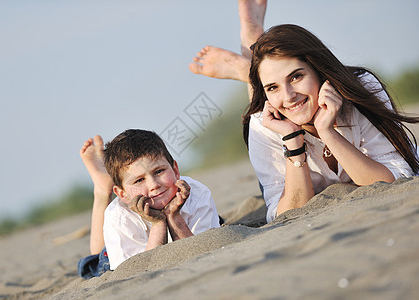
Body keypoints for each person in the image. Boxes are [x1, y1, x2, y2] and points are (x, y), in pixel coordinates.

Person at [189, 2, 419, 223]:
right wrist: (293, 143)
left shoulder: (361, 90)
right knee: (264, 107)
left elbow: (396, 178)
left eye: (296, 76)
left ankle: (248, 66)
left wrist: (327, 132)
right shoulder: (264, 123)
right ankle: (249, 65)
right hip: (284, 144)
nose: (288, 95)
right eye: (272, 87)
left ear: (319, 70)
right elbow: (285, 213)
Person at [78, 129, 221, 279]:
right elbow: (141, 272)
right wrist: (158, 224)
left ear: (175, 170)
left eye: (159, 171)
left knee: (217, 223)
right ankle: (102, 191)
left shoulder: (198, 193)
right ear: (122, 194)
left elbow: (201, 250)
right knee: (97, 262)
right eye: (139, 180)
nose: (154, 185)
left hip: (187, 230)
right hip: (131, 253)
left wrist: (174, 216)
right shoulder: (119, 217)